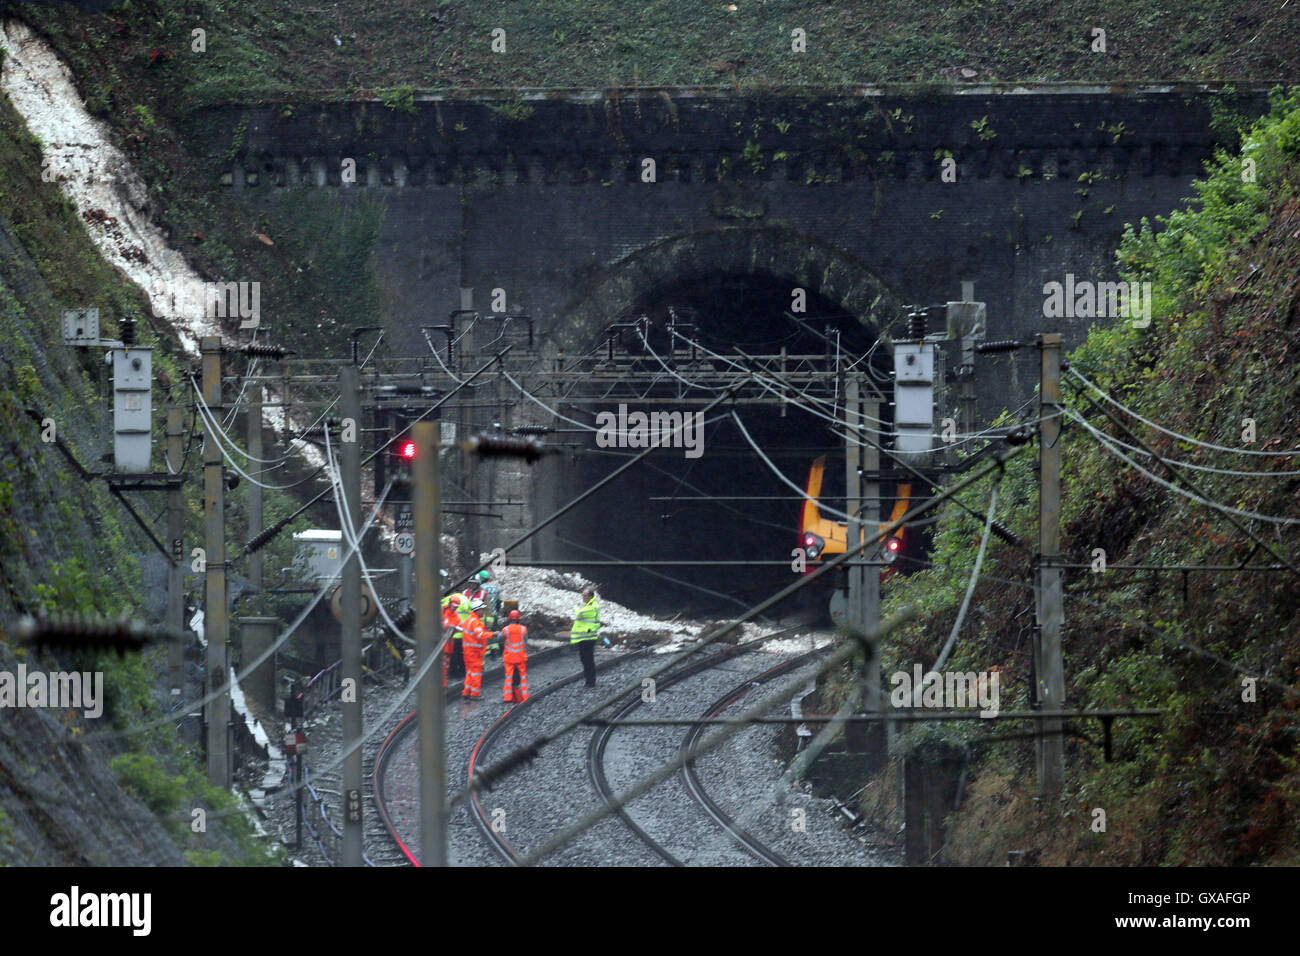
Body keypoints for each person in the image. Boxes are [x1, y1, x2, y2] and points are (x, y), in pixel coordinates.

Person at [569, 588, 602, 688]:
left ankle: (590, 682)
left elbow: (579, 614)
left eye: (584, 595)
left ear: (590, 596)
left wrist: (575, 607)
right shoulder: (589, 605)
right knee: (585, 660)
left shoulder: (592, 607)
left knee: (588, 661)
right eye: (582, 595)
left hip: (588, 639)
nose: (582, 597)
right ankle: (589, 681)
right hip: (585, 638)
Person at [460, 597, 489, 699]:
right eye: (482, 609)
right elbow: (480, 635)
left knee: (469, 672)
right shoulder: (475, 622)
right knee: (476, 673)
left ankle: (466, 691)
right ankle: (475, 694)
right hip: (474, 652)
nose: (483, 611)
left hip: (467, 651)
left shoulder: (468, 620)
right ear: (477, 610)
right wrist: (492, 634)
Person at [500, 609, 529, 703]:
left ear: (509, 618)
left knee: (508, 677)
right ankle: (525, 696)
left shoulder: (505, 629)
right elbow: (526, 641)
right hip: (521, 657)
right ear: (518, 618)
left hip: (509, 658)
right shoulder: (523, 629)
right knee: (523, 677)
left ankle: (507, 697)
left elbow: (499, 638)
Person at [443, 593, 467, 678]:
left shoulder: (456, 616)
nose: (455, 608)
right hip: (440, 643)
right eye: (454, 606)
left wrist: (459, 629)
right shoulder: (443, 611)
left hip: (449, 644)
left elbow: (461, 627)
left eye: (456, 606)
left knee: (446, 666)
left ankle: (443, 684)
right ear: (450, 604)